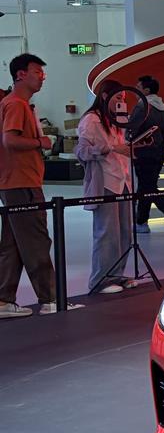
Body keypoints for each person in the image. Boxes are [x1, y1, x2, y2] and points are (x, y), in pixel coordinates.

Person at [0, 54, 81, 317]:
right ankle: (50, 298)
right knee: (36, 240)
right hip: (22, 182)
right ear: (20, 74)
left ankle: (4, 299)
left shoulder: (15, 104)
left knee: (13, 244)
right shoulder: (17, 105)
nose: (42, 77)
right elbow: (10, 140)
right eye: (37, 72)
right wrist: (41, 143)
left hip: (14, 182)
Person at [77, 79, 136, 295]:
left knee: (125, 232)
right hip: (105, 181)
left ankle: (117, 274)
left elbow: (122, 146)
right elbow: (82, 151)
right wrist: (109, 148)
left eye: (123, 98)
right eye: (117, 97)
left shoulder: (117, 120)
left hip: (123, 180)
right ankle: (100, 279)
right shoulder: (92, 120)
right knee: (106, 233)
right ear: (104, 96)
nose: (121, 102)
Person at [128, 75, 164, 236]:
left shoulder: (142, 106)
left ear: (146, 90)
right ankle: (141, 222)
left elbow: (131, 129)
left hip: (142, 152)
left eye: (138, 87)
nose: (135, 90)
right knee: (146, 186)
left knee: (148, 187)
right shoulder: (162, 106)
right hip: (159, 152)